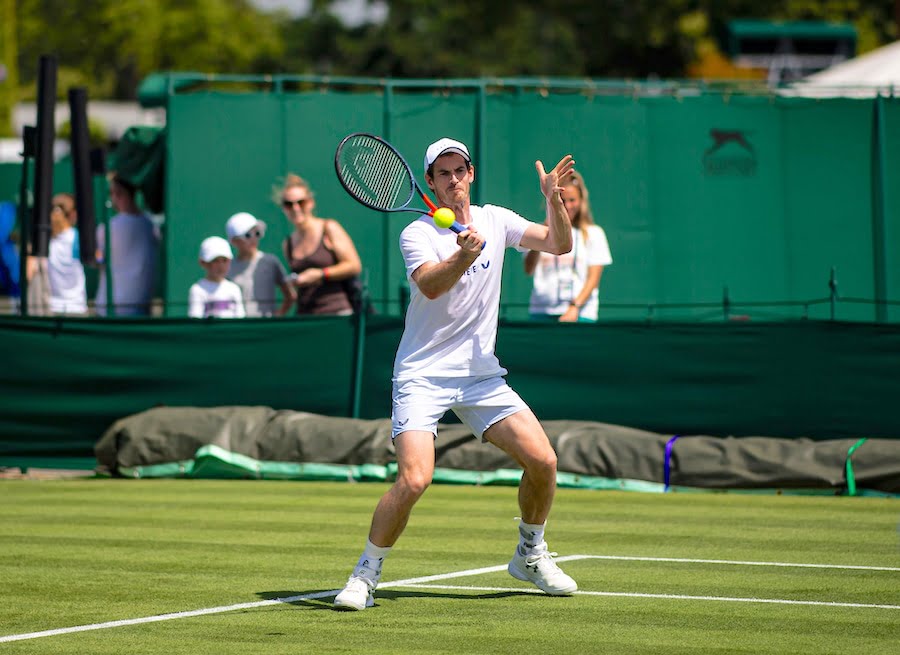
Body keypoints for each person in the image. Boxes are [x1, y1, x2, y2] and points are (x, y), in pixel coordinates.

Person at [334, 137, 578, 611]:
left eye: (458, 170)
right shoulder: (417, 234)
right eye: (441, 173)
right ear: (429, 182)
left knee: (544, 462)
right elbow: (429, 285)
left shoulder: (497, 219)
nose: (452, 180)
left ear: (471, 174)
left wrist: (554, 200)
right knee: (415, 479)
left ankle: (529, 554)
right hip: (422, 374)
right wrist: (463, 255)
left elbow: (559, 244)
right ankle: (365, 574)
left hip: (480, 376)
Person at [524, 171, 612, 322]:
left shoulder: (594, 233)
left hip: (581, 314)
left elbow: (593, 279)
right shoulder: (538, 230)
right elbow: (528, 269)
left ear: (581, 201)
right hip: (543, 312)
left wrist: (575, 307)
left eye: (572, 200)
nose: (568, 206)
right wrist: (546, 229)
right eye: (563, 201)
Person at [279, 173, 362, 315]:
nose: (295, 208)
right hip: (305, 316)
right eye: (289, 204)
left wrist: (320, 274)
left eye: (301, 202)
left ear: (311, 202)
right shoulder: (288, 244)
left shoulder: (329, 228)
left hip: (336, 312)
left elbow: (354, 266)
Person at [95, 174, 159, 316]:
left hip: (115, 309)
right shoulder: (151, 225)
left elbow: (98, 259)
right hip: (132, 309)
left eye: (115, 193)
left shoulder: (106, 229)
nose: (113, 198)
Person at [225, 212, 295, 317]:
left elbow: (290, 295)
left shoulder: (271, 262)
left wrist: (278, 315)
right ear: (234, 241)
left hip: (267, 328)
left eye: (257, 233)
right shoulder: (228, 267)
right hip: (240, 328)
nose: (253, 239)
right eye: (247, 235)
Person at [46, 193, 87, 315]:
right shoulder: (80, 238)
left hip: (53, 308)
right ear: (73, 214)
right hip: (77, 308)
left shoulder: (46, 242)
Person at [187, 236, 245, 319]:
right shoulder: (197, 290)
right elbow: (195, 322)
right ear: (203, 263)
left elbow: (240, 319)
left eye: (224, 260)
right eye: (215, 261)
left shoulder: (234, 289)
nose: (221, 266)